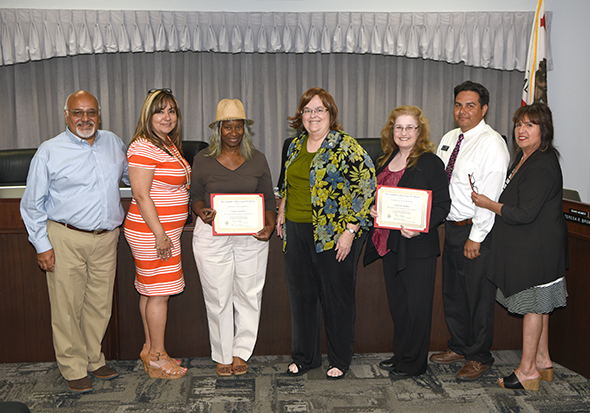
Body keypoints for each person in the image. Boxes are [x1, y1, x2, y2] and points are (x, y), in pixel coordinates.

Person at [20, 90, 128, 393]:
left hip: (107, 239)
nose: (85, 119)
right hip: (65, 237)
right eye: (78, 113)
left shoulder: (113, 142)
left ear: (99, 114)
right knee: (67, 306)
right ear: (66, 115)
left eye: (90, 112)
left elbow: (133, 177)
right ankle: (72, 366)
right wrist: (42, 245)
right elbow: (31, 204)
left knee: (99, 304)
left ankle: (94, 359)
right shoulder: (50, 151)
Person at [277, 87, 376, 380]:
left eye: (319, 110)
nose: (313, 116)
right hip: (296, 231)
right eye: (308, 110)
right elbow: (288, 183)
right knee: (302, 297)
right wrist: (282, 210)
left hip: (333, 235)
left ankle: (339, 359)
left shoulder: (346, 146)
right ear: (301, 116)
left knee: (336, 299)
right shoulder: (295, 146)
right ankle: (305, 357)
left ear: (331, 115)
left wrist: (351, 230)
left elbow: (366, 186)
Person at [471, 103, 568, 391]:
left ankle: (527, 371)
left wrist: (489, 204)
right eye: (518, 125)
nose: (521, 131)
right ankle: (542, 360)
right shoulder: (525, 157)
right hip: (533, 249)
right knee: (541, 306)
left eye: (530, 125)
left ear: (544, 130)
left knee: (533, 308)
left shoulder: (542, 163)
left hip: (537, 252)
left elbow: (524, 213)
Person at [191, 99, 276, 377]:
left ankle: (241, 352)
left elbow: (268, 202)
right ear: (218, 129)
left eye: (238, 127)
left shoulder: (258, 158)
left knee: (249, 294)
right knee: (217, 296)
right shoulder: (203, 159)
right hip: (213, 234)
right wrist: (201, 211)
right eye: (227, 126)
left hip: (251, 236)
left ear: (245, 130)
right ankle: (222, 353)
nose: (233, 132)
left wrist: (270, 225)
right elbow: (196, 196)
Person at [431, 81, 510, 380]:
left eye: (470, 105)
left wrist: (477, 236)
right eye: (459, 105)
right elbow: (441, 181)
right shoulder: (450, 138)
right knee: (454, 294)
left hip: (476, 232)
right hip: (451, 228)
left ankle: (479, 357)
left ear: (484, 109)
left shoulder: (492, 143)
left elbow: (489, 195)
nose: (463, 111)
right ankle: (460, 346)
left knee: (477, 297)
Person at [363, 106, 450, 378]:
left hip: (417, 247)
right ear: (392, 131)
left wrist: (421, 228)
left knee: (417, 307)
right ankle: (401, 354)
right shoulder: (384, 159)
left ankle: (414, 363)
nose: (403, 132)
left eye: (409, 127)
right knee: (399, 305)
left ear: (419, 131)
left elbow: (442, 205)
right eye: (398, 127)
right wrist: (374, 209)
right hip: (391, 245)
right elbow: (376, 196)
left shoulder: (430, 162)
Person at [124, 88, 190, 380]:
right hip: (152, 232)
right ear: (148, 115)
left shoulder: (167, 144)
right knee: (160, 295)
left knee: (149, 290)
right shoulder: (143, 147)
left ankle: (150, 349)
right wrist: (161, 236)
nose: (167, 117)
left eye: (171, 111)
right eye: (160, 111)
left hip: (162, 231)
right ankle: (159, 359)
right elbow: (140, 195)